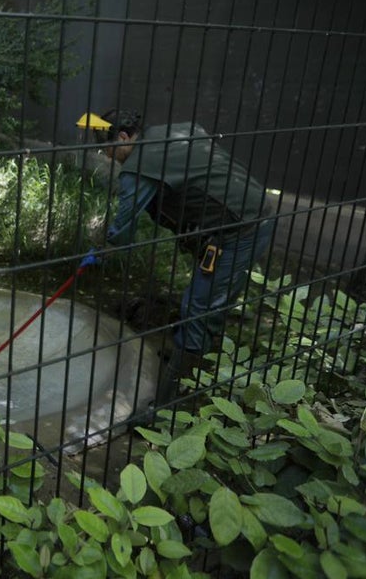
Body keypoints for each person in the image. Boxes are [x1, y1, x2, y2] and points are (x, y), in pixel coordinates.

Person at [91, 109, 275, 406]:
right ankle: (183, 360)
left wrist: (104, 248)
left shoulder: (139, 166)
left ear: (123, 137)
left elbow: (124, 229)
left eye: (107, 148)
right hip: (243, 213)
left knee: (200, 309)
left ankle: (170, 404)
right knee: (200, 298)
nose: (107, 157)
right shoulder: (169, 132)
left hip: (242, 228)